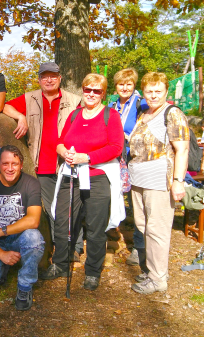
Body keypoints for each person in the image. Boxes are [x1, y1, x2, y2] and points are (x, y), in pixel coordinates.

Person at [3, 62, 82, 275]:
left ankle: (75, 247)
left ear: (60, 78)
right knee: (53, 209)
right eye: (45, 76)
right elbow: (5, 106)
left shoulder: (74, 101)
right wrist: (20, 117)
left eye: (53, 76)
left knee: (72, 206)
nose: (49, 80)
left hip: (67, 164)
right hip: (43, 166)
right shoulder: (30, 98)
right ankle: (61, 248)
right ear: (39, 79)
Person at [55, 73, 124, 291]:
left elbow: (116, 147)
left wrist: (88, 157)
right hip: (71, 175)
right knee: (63, 221)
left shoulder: (110, 115)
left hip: (98, 177)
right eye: (88, 89)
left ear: (103, 93)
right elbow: (60, 142)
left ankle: (93, 271)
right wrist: (64, 152)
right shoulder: (75, 115)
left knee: (95, 227)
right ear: (83, 91)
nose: (91, 94)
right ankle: (61, 263)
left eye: (97, 90)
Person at [128, 72, 189, 294]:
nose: (153, 96)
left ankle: (158, 279)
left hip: (159, 180)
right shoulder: (143, 113)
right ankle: (152, 270)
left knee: (157, 229)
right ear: (143, 92)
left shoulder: (172, 114)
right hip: (138, 180)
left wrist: (178, 181)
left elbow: (181, 150)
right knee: (143, 226)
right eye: (149, 91)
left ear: (166, 92)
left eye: (158, 91)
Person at [0, 145, 45, 311]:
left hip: (20, 237)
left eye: (14, 163)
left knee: (34, 238)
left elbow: (33, 220)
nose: (10, 168)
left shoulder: (31, 183)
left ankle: (25, 285)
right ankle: (4, 266)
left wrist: (0, 231)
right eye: (5, 163)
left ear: (21, 165)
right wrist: (1, 254)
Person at [108, 68, 148, 267]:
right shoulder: (112, 104)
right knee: (112, 197)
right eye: (121, 84)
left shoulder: (142, 103)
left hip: (135, 158)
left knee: (136, 203)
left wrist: (129, 136)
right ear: (116, 86)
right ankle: (110, 238)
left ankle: (140, 248)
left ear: (134, 85)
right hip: (115, 157)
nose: (125, 88)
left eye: (129, 84)